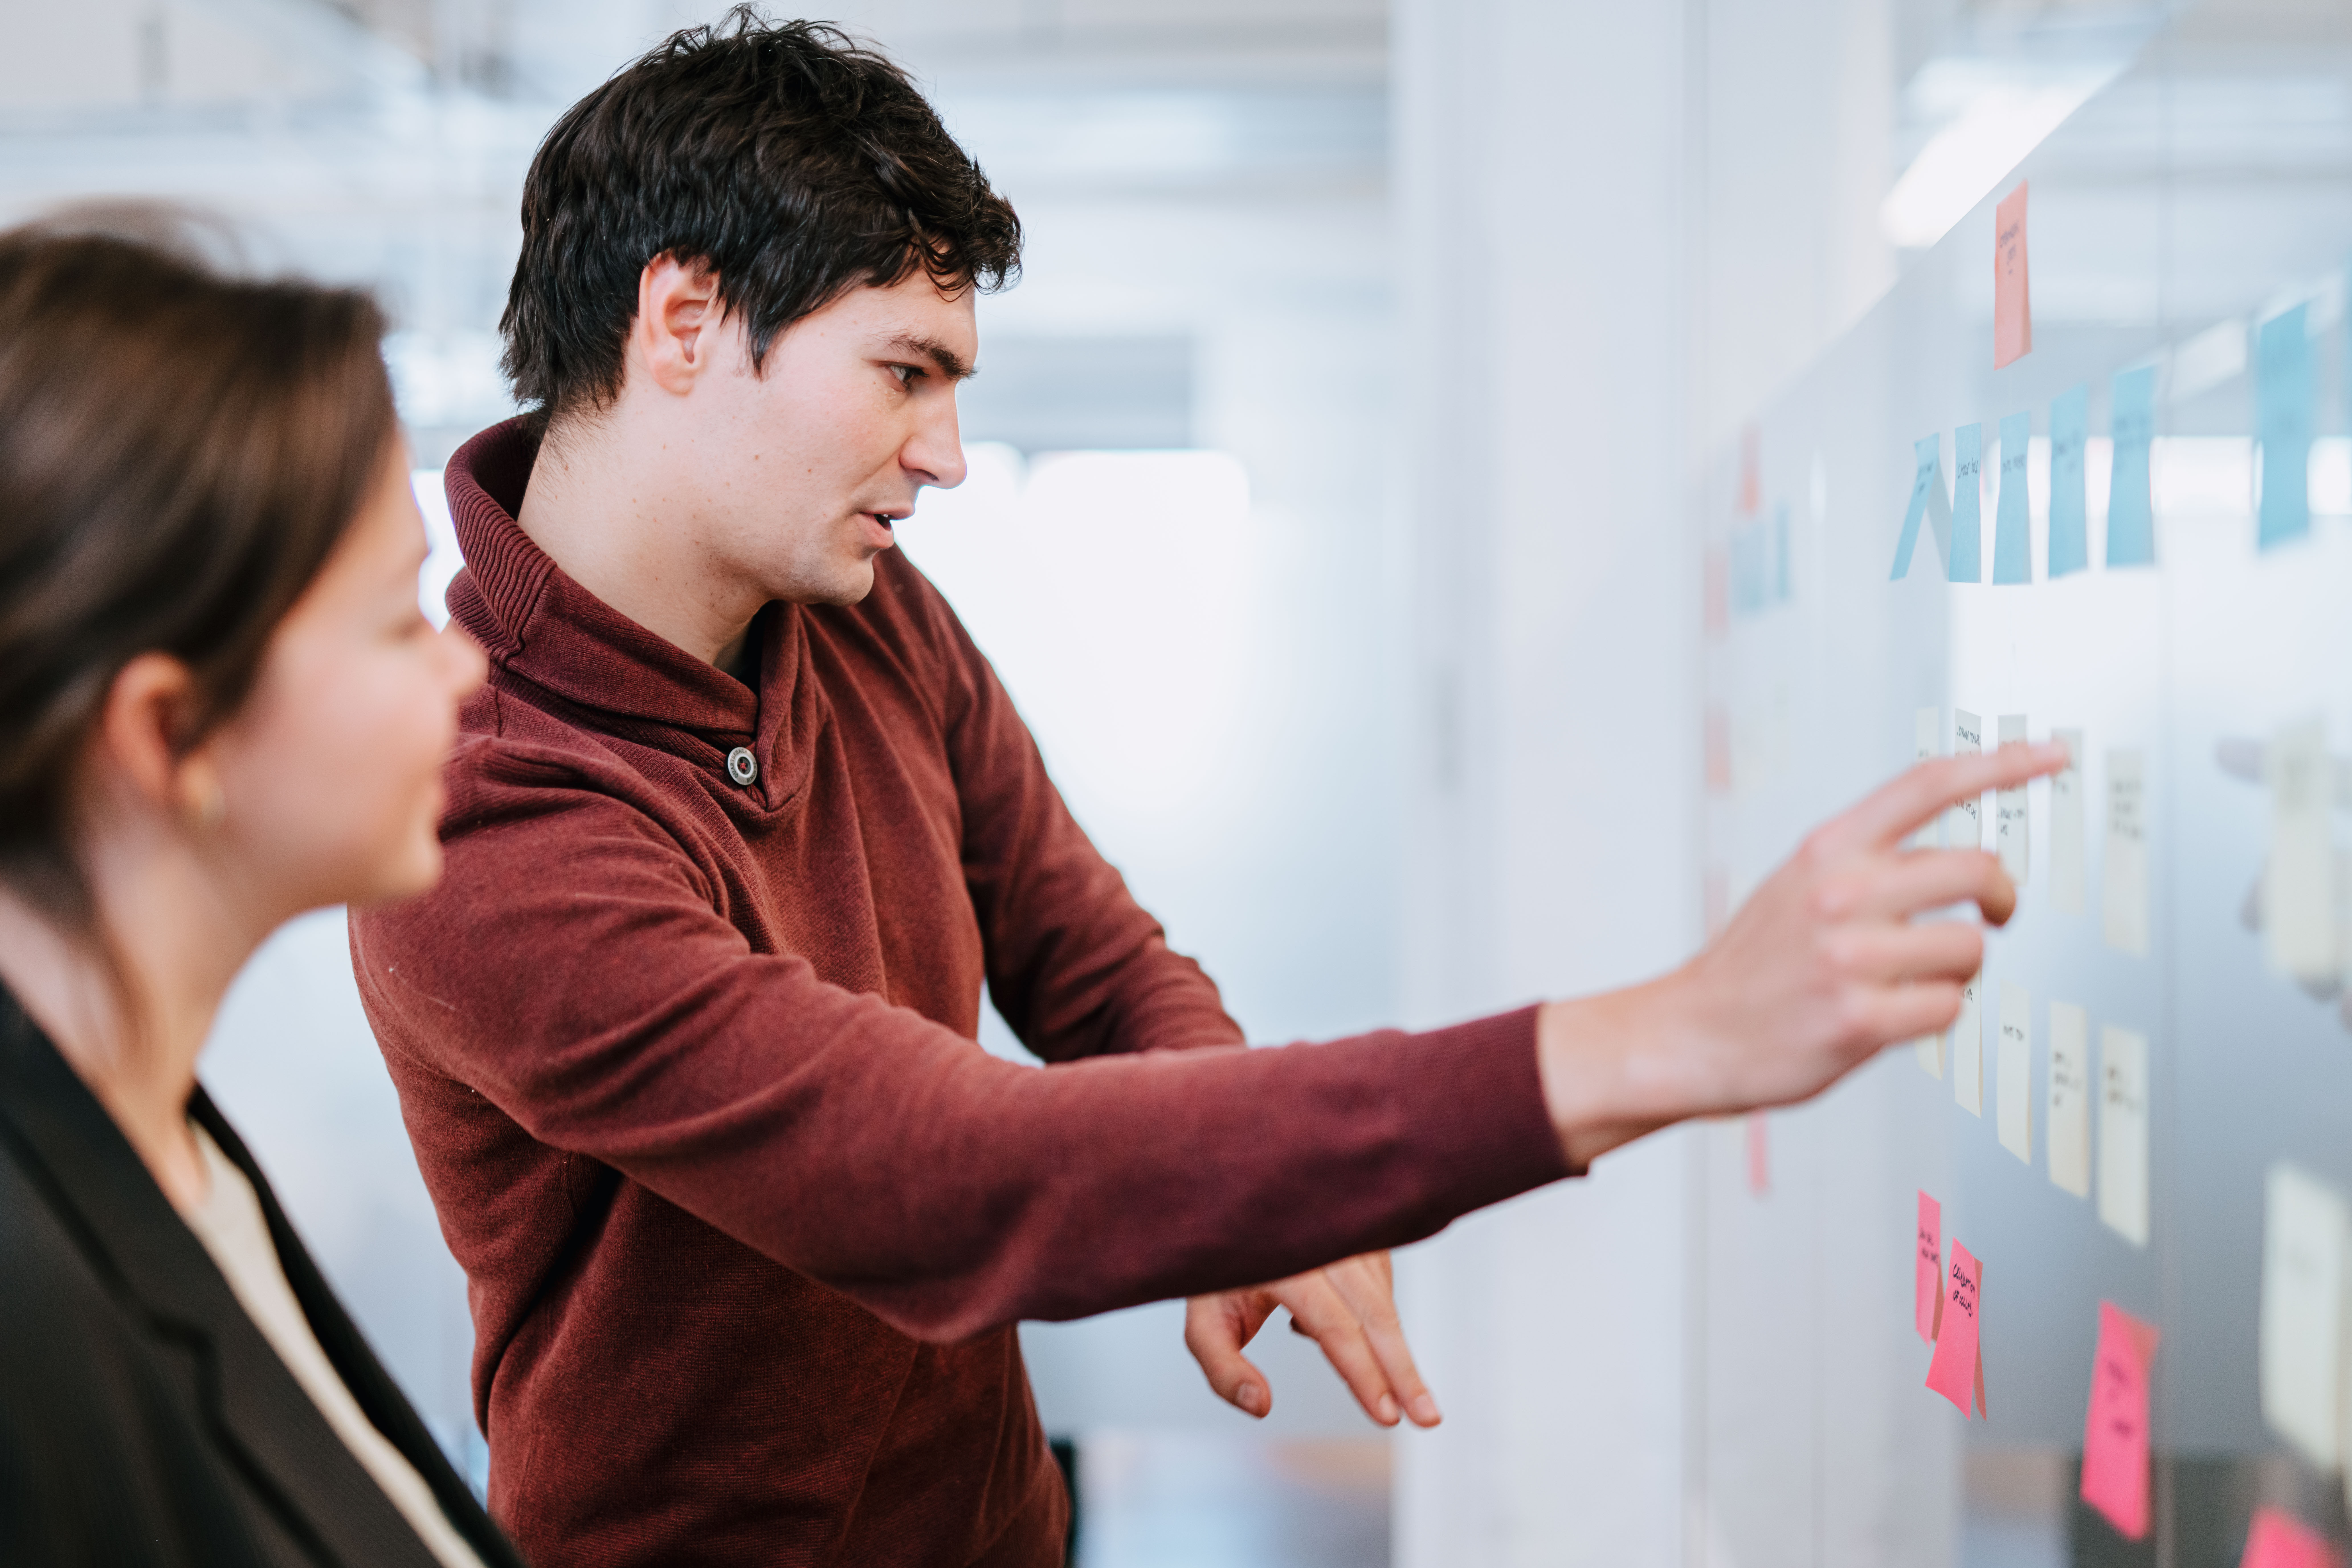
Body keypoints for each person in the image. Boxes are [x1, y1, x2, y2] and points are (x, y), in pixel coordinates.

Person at [348, 14, 2065, 1567]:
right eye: (904, 372)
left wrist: (1268, 1180)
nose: (944, 453)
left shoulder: (868, 621)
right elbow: (937, 1178)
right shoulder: (471, 818)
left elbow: (1095, 964)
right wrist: (1672, 1036)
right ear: (685, 319)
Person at [0, 224, 517, 1567]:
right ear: (171, 733)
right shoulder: (24, 1305)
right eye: (399, 616)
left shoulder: (160, 1134)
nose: (462, 668)